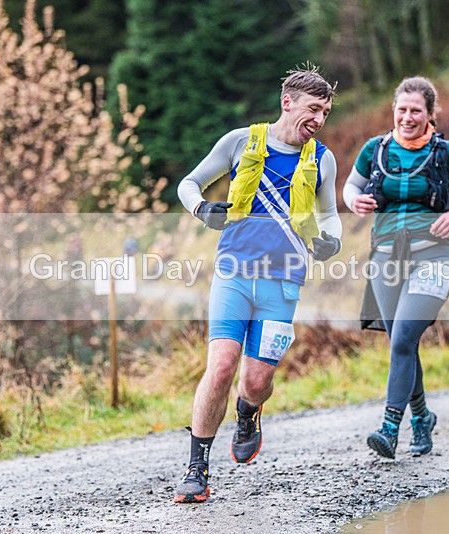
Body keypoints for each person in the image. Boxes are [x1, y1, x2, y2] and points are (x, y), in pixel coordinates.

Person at [174, 66, 342, 503]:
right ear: (287, 103)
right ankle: (197, 468)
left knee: (254, 380)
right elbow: (188, 183)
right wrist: (201, 209)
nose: (319, 119)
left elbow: (329, 216)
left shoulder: (322, 159)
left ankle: (248, 412)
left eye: (325, 112)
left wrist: (332, 242)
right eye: (313, 109)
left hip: (283, 284)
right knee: (222, 367)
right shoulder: (240, 141)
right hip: (233, 274)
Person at [343, 76, 449, 459]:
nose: (408, 117)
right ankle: (422, 418)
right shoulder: (375, 149)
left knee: (403, 337)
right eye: (401, 110)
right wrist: (355, 202)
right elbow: (350, 187)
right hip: (386, 257)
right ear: (393, 111)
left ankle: (390, 427)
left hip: (434, 256)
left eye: (416, 111)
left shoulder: (448, 153)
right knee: (401, 342)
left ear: (431, 113)